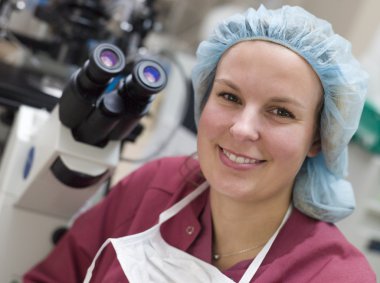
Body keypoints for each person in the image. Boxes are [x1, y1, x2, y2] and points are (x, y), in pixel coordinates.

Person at [24, 5, 376, 282]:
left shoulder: (336, 276)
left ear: (317, 138)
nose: (242, 129)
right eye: (229, 96)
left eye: (281, 111)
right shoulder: (157, 186)